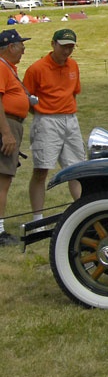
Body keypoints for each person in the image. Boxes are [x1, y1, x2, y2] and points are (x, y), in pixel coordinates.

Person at [23, 28, 86, 220]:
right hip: (47, 121)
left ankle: (83, 213)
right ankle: (37, 219)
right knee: (42, 169)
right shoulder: (37, 68)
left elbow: (73, 92)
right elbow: (27, 99)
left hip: (70, 120)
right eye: (63, 47)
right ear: (53, 44)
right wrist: (43, 114)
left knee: (77, 169)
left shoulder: (73, 66)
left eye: (70, 47)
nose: (67, 51)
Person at [0, 29, 32, 247]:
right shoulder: (1, 67)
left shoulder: (8, 68)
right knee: (2, 180)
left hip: (12, 123)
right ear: (10, 47)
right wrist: (6, 133)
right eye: (21, 45)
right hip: (7, 124)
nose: (23, 49)